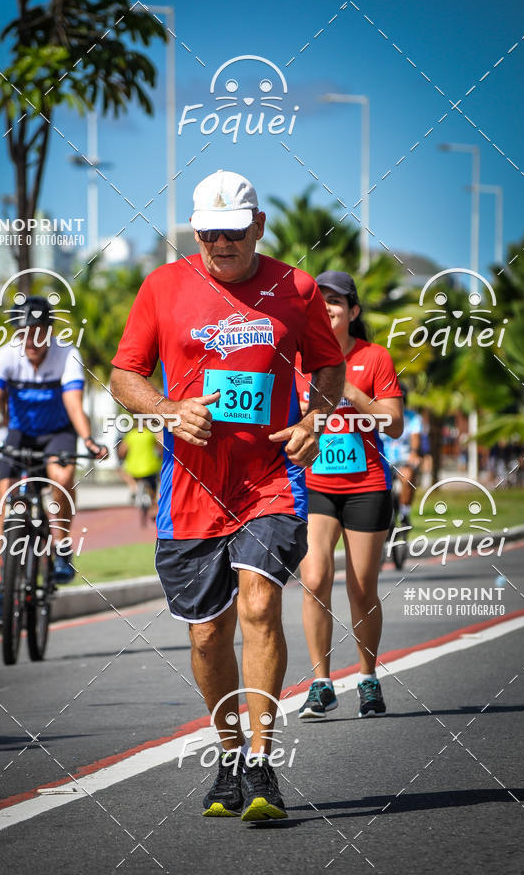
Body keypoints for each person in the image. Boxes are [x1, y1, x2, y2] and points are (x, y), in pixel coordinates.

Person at [110, 170, 345, 821]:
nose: (221, 243)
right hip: (189, 488)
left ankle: (265, 759)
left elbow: (329, 365)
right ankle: (231, 752)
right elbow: (123, 373)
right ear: (195, 230)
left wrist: (313, 420)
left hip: (269, 480)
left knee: (260, 602)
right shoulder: (163, 286)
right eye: (209, 232)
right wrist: (166, 408)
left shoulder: (294, 288)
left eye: (234, 232)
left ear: (259, 227)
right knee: (208, 635)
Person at [0, 296, 107, 627]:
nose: (31, 340)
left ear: (49, 331)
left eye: (38, 332)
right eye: (24, 332)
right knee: (4, 508)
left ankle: (61, 547)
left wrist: (88, 439)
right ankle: (1, 594)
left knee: (61, 478)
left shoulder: (67, 355)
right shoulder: (6, 355)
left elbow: (74, 405)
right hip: (20, 433)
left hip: (58, 432)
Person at [296, 271, 403, 721]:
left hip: (366, 488)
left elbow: (393, 423)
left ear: (353, 311)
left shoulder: (374, 357)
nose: (327, 307)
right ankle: (321, 684)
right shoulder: (297, 360)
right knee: (315, 577)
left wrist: (349, 391)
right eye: (319, 301)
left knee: (362, 588)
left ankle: (367, 677)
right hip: (315, 485)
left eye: (336, 301)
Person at [382, 384, 423, 525]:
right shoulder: (380, 414)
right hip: (382, 459)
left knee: (408, 477)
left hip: (402, 459)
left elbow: (415, 439)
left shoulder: (413, 418)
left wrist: (414, 453)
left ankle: (405, 513)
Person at [117, 424, 161, 515]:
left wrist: (122, 458)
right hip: (150, 468)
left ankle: (133, 487)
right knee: (154, 485)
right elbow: (159, 448)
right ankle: (153, 508)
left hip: (133, 470)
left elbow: (122, 451)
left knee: (120, 470)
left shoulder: (130, 435)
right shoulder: (150, 434)